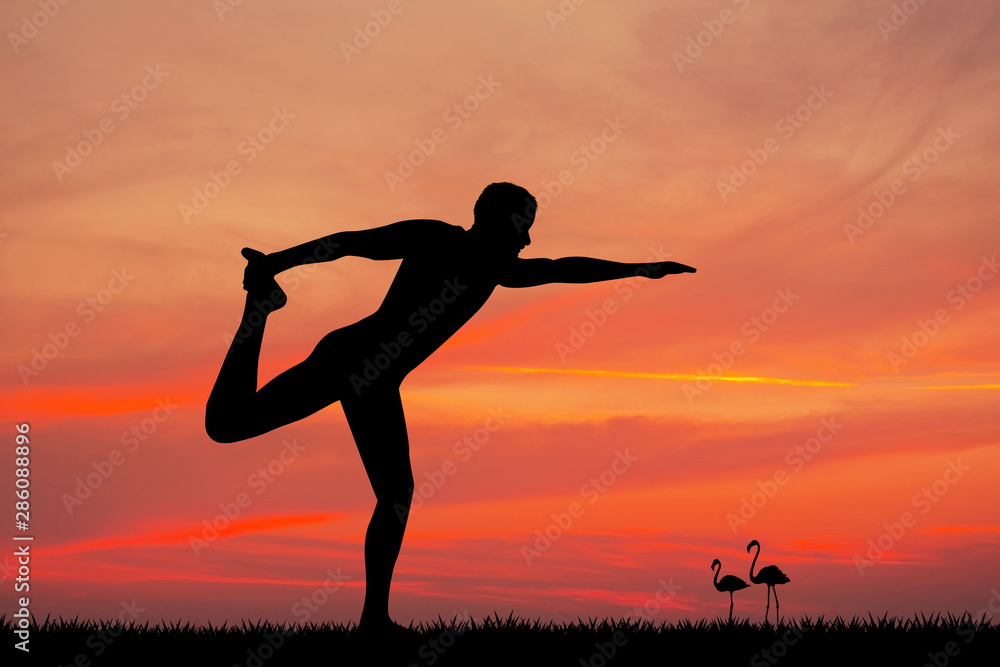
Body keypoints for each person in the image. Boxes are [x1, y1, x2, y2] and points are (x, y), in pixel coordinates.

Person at [205, 182, 695, 634]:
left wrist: (634, 269)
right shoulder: (436, 239)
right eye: (523, 225)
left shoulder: (495, 268)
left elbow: (559, 268)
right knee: (228, 428)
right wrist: (277, 261)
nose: (526, 240)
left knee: (392, 493)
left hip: (375, 379)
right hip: (352, 359)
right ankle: (260, 308)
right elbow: (351, 241)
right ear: (497, 220)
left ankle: (374, 619)